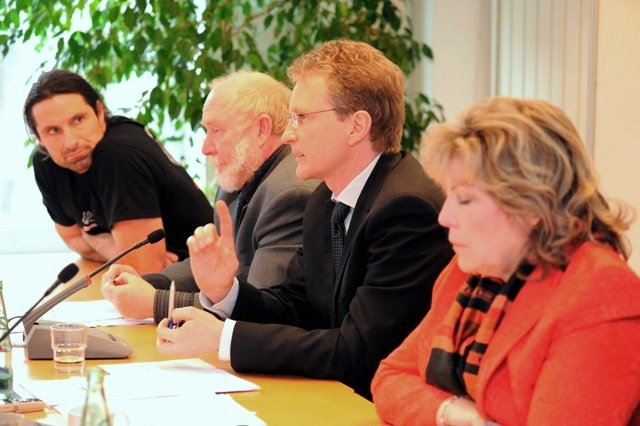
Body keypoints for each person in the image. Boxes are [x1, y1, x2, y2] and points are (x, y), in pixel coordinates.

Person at [156, 40, 454, 399]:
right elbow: (294, 306)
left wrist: (225, 337)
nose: (289, 133)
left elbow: (357, 352)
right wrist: (226, 292)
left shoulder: (406, 210)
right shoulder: (326, 199)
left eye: (301, 117)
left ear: (356, 126)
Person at [371, 97, 640, 425]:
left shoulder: (600, 291)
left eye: (465, 199)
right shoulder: (467, 270)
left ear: (532, 206)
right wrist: (458, 415)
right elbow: (390, 377)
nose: (445, 216)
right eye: (449, 195)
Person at [101, 71, 320, 321]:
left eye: (216, 130)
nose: (205, 148)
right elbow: (211, 270)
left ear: (261, 129)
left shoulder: (290, 195)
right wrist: (145, 282)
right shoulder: (236, 178)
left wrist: (157, 303)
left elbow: (262, 305)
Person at [24, 70, 213, 274]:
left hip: (201, 276)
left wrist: (91, 237)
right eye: (53, 131)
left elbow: (144, 269)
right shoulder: (46, 161)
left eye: (78, 120)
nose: (71, 143)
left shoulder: (119, 154)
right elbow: (72, 237)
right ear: (38, 137)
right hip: (152, 280)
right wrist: (112, 249)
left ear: (99, 112)